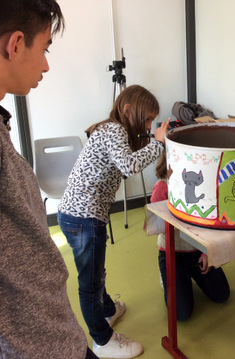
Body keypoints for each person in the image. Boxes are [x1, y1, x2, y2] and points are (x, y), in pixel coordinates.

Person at [0, 1, 97, 358]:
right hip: (34, 341)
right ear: (15, 44)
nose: (45, 64)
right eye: (43, 49)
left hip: (49, 325)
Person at [57, 84, 170, 359]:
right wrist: (159, 142)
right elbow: (129, 166)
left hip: (79, 214)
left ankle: (107, 311)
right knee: (90, 282)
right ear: (128, 110)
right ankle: (102, 340)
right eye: (146, 119)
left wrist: (154, 139)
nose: (149, 125)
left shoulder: (110, 129)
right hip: (84, 218)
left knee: (96, 271)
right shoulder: (114, 130)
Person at [151, 152, 230, 321]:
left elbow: (212, 223)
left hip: (198, 251)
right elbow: (158, 226)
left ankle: (188, 275)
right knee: (182, 313)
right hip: (173, 254)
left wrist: (207, 252)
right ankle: (170, 277)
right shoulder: (163, 186)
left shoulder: (206, 184)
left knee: (222, 294)